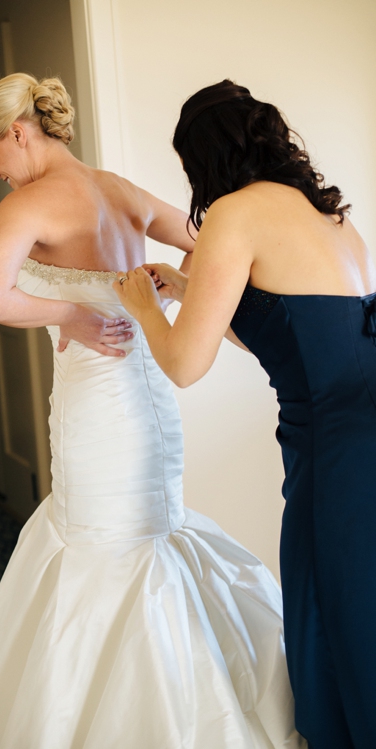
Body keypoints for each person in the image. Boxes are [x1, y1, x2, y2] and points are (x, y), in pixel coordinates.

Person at [0, 73, 303, 748]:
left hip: (97, 407)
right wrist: (180, 289)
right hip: (154, 395)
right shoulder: (123, 192)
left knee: (103, 541)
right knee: (149, 533)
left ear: (18, 133)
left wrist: (73, 311)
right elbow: (206, 242)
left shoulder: (26, 208)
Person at [116, 79, 376, 748]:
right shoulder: (331, 218)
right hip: (358, 429)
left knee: (337, 615)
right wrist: (189, 286)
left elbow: (183, 362)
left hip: (337, 456)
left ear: (205, 159)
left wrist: (145, 306)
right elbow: (290, 329)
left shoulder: (234, 214)